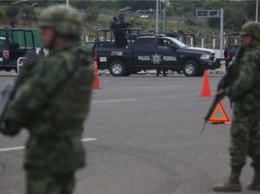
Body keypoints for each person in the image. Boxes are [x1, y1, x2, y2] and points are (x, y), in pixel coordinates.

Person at [0, 5, 94, 194]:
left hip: (46, 154)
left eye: (45, 29)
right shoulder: (82, 61)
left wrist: (19, 85)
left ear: (61, 31)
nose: (40, 33)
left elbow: (11, 122)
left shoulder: (53, 67)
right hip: (69, 150)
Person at [213, 21, 260, 192]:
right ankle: (257, 179)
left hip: (246, 104)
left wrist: (228, 92)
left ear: (255, 37)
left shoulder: (252, 55)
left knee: (239, 140)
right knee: (255, 141)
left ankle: (234, 180)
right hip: (255, 104)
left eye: (246, 36)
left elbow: (246, 80)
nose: (243, 40)